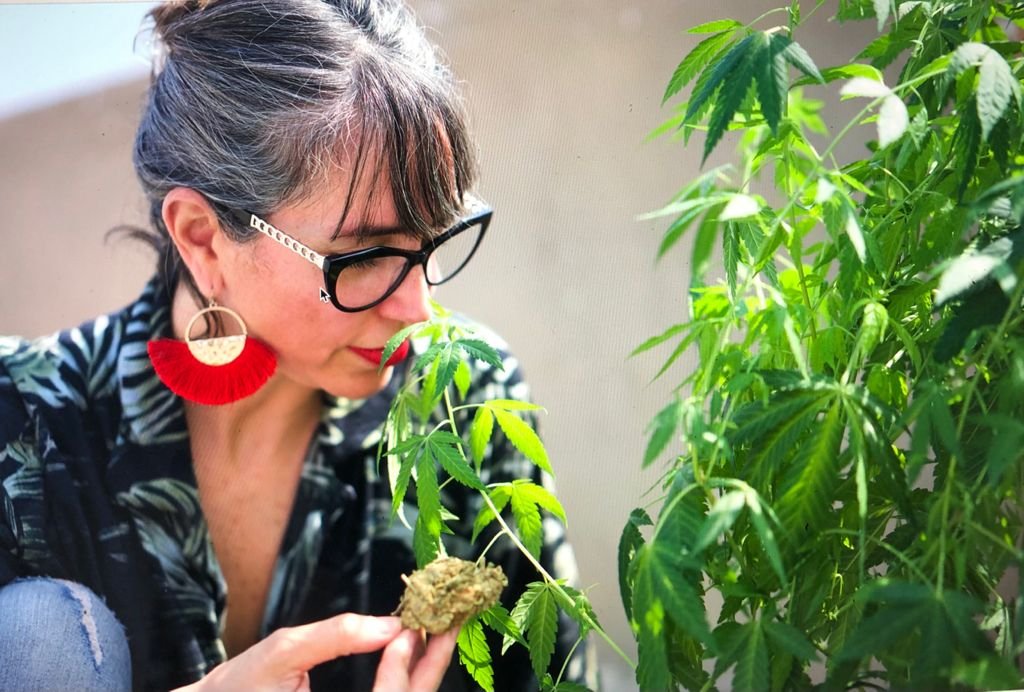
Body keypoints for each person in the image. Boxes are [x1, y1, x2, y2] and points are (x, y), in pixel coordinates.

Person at [0, 1, 592, 690]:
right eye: (365, 256)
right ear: (202, 237)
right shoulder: (22, 426)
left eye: (434, 239)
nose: (420, 311)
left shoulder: (464, 398)